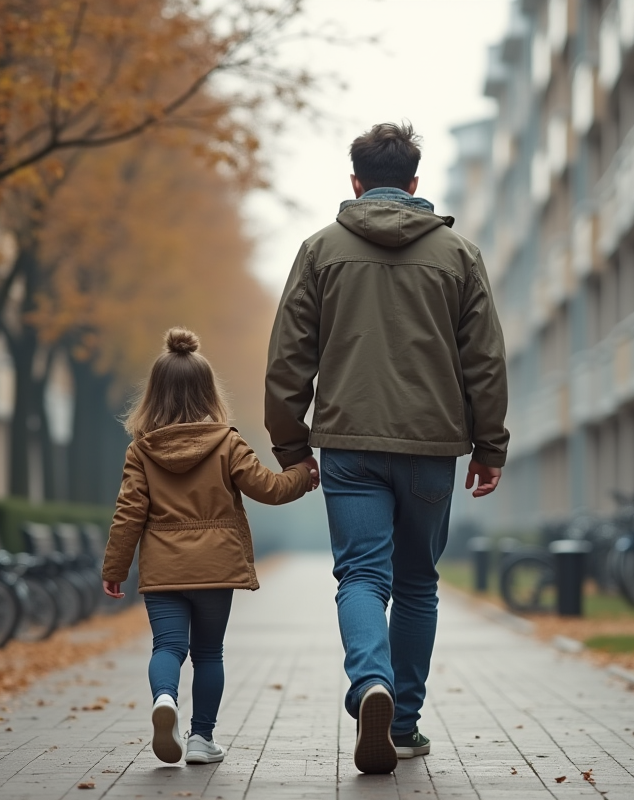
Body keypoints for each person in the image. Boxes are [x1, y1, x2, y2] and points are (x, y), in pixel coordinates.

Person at [265, 122, 509, 774]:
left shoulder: (320, 251)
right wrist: (490, 446)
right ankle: (402, 723)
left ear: (355, 183)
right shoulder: (458, 255)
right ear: (414, 184)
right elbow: (484, 360)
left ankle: (368, 682)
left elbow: (289, 358)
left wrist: (291, 446)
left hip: (349, 443)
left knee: (362, 577)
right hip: (432, 446)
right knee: (418, 584)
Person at [102, 327, 319, 766]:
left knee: (167, 647)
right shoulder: (227, 442)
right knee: (207, 654)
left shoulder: (140, 452)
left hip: (164, 569)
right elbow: (268, 488)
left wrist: (115, 567)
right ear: (208, 392)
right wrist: (303, 474)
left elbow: (128, 512)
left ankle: (165, 700)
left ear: (154, 394)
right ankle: (202, 740)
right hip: (216, 566)